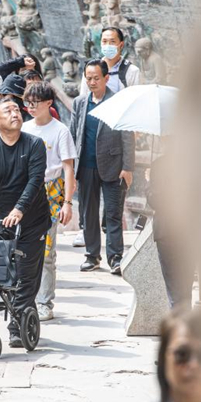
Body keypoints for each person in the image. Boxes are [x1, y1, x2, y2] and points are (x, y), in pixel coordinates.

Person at [0, 97, 50, 347]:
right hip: (1, 219)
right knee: (7, 271)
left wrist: (20, 209)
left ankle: (18, 323)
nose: (15, 113)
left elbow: (35, 181)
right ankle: (20, 312)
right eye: (8, 111)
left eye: (17, 109)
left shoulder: (34, 144)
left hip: (33, 218)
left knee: (27, 272)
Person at [70, 60, 134, 274]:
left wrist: (128, 167)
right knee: (88, 213)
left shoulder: (117, 102)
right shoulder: (80, 102)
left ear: (107, 78)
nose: (92, 82)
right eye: (88, 78)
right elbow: (73, 133)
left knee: (113, 214)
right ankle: (92, 255)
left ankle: (115, 258)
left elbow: (127, 135)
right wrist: (71, 166)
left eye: (96, 77)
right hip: (86, 165)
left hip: (113, 165)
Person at [21, 83, 76, 321]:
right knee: (22, 249)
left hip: (51, 192)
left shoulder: (60, 131)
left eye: (35, 102)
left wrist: (68, 202)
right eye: (28, 102)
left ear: (48, 103)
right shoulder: (23, 128)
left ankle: (44, 302)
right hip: (24, 193)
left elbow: (68, 167)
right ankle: (25, 298)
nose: (30, 107)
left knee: (46, 251)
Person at [79, 26, 142, 96]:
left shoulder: (132, 71)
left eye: (112, 42)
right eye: (104, 41)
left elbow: (136, 100)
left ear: (121, 45)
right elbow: (83, 100)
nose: (108, 45)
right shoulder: (90, 70)